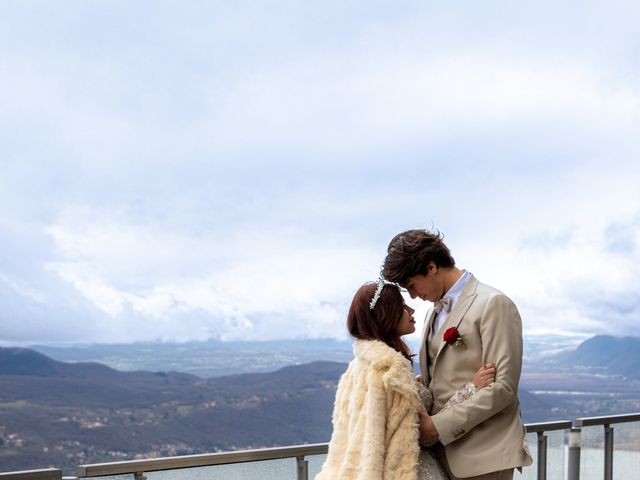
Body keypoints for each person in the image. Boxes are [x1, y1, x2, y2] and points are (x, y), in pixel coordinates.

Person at [382, 229, 533, 480]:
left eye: (411, 285)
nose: (413, 296)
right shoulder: (432, 314)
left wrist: (437, 428)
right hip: (440, 458)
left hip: (483, 457)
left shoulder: (493, 304)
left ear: (431, 267)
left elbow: (504, 388)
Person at [316, 281, 496, 480]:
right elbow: (421, 434)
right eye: (402, 305)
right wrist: (472, 388)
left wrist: (416, 385)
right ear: (386, 314)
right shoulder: (392, 370)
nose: (411, 309)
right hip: (411, 471)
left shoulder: (359, 366)